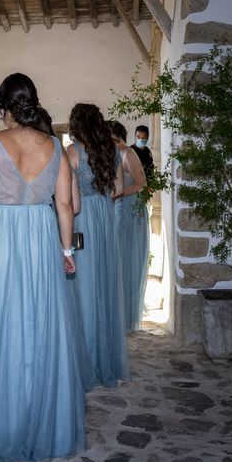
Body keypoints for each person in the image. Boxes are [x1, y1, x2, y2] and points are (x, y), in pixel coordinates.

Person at [0, 73, 86, 462]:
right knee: (39, 328)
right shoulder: (56, 147)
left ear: (4, 106)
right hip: (40, 238)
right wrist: (67, 250)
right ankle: (38, 421)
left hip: (0, 238)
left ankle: (0, 421)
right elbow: (65, 205)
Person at [65, 103, 130, 388]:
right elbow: (116, 190)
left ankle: (85, 361)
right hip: (105, 218)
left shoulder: (74, 151)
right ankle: (104, 360)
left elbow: (67, 197)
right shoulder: (112, 151)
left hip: (82, 220)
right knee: (102, 286)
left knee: (83, 290)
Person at [109, 121, 149, 333]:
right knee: (118, 260)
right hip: (119, 206)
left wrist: (118, 195)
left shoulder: (127, 153)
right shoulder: (115, 154)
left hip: (131, 208)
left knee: (126, 259)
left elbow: (142, 183)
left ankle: (125, 317)